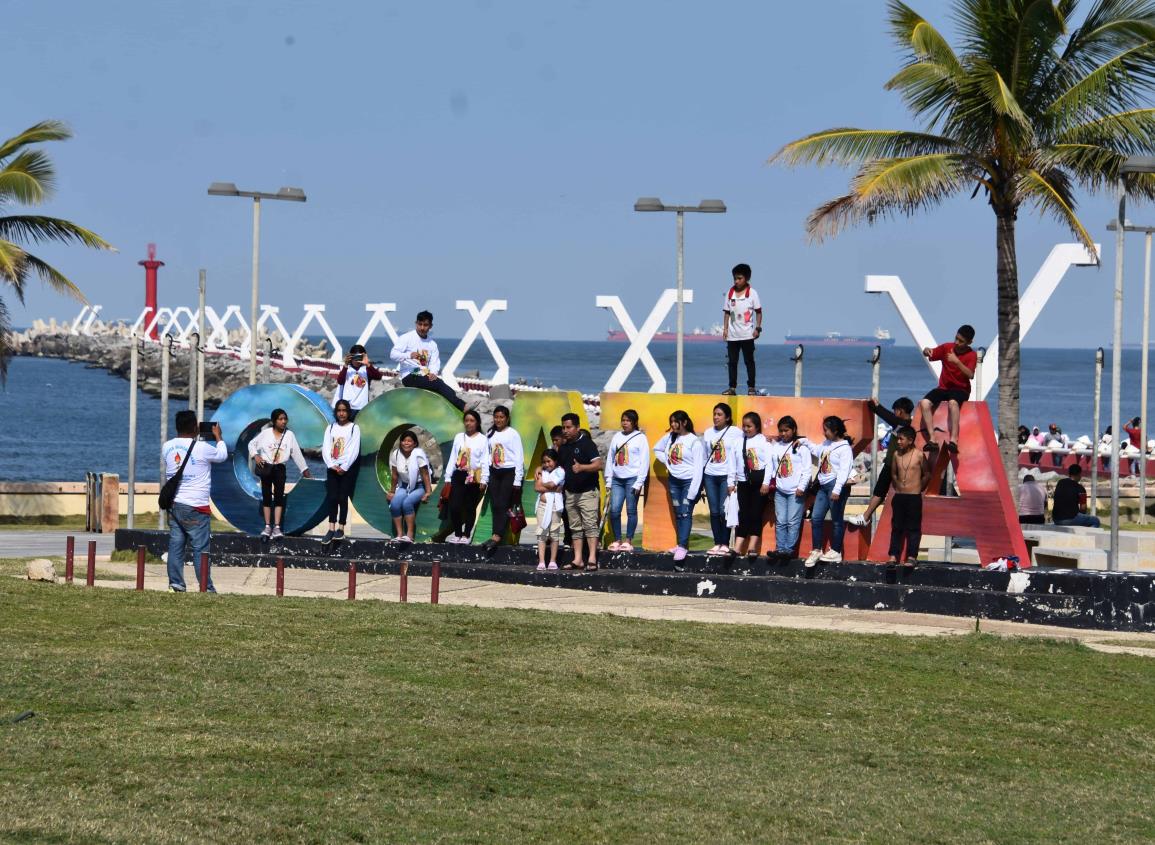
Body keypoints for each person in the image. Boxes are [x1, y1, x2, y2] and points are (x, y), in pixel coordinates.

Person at [162, 410, 228, 592]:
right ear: (195, 427)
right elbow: (222, 456)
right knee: (201, 549)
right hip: (196, 506)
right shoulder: (202, 447)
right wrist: (218, 437)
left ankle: (176, 584)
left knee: (176, 546)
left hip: (175, 504)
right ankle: (206, 587)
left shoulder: (167, 446)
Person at [848, 396, 915, 527]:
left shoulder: (903, 424)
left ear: (900, 411)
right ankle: (867, 516)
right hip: (893, 464)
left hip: (894, 465)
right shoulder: (906, 425)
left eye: (895, 410)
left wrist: (875, 405)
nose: (894, 413)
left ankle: (866, 517)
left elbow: (886, 415)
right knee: (883, 492)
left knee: (880, 492)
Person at [248, 407, 312, 540]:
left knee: (278, 497)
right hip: (266, 467)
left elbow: (296, 454)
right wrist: (256, 456)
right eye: (280, 419)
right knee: (266, 497)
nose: (283, 422)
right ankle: (267, 526)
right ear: (274, 421)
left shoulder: (289, 435)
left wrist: (304, 470)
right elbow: (251, 444)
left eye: (285, 419)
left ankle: (276, 527)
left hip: (280, 469)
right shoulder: (266, 433)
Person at [653, 410, 705, 562]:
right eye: (672, 422)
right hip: (674, 481)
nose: (673, 425)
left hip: (688, 481)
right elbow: (657, 449)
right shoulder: (670, 437)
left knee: (685, 512)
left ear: (685, 423)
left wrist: (693, 491)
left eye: (676, 422)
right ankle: (680, 544)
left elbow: (698, 469)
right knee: (678, 512)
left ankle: (682, 546)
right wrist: (667, 461)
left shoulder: (694, 441)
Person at [389, 310, 467, 412]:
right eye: (420, 324)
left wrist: (433, 373)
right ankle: (463, 407)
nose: (422, 328)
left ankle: (453, 411)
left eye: (425, 325)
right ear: (416, 323)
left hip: (424, 374)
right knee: (438, 384)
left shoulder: (432, 344)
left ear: (430, 326)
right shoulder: (406, 338)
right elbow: (393, 355)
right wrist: (409, 355)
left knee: (440, 384)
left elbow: (435, 362)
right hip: (410, 374)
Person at [918, 324, 977, 453]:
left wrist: (957, 362)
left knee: (953, 403)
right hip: (944, 387)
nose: (957, 342)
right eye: (956, 338)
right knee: (924, 403)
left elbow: (970, 374)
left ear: (969, 342)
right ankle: (932, 440)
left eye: (961, 341)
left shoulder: (972, 355)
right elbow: (930, 353)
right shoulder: (947, 347)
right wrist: (926, 350)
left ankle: (954, 440)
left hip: (961, 389)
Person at [804, 416, 854, 567]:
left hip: (835, 485)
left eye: (826, 430)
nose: (824, 433)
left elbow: (845, 471)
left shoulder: (844, 448)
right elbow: (817, 451)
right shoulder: (827, 444)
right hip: (823, 485)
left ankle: (836, 551)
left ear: (835, 430)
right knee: (816, 517)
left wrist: (837, 489)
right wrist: (805, 442)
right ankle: (817, 549)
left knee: (836, 520)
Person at [557, 413, 604, 569]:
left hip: (587, 492)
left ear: (577, 427)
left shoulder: (587, 444)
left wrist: (582, 467)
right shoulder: (563, 447)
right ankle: (578, 559)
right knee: (575, 528)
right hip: (570, 493)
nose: (565, 430)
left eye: (569, 427)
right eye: (563, 427)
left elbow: (598, 464)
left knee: (590, 525)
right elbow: (558, 467)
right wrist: (539, 469)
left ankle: (591, 558)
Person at [702, 403, 744, 555]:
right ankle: (717, 543)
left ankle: (725, 543)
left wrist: (736, 478)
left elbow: (742, 451)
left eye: (719, 414)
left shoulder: (736, 432)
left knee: (723, 510)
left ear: (727, 417)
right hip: (710, 475)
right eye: (714, 414)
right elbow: (704, 455)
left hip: (727, 476)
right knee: (713, 511)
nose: (715, 417)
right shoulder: (707, 433)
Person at [605, 409, 650, 552]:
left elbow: (645, 461)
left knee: (631, 510)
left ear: (634, 422)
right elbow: (610, 459)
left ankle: (628, 540)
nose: (625, 423)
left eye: (628, 421)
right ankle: (617, 539)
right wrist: (609, 479)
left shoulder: (640, 438)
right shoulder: (617, 436)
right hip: (617, 479)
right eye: (623, 420)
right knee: (614, 510)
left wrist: (639, 482)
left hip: (633, 478)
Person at [481, 405, 524, 552]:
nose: (498, 420)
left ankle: (497, 535)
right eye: (496, 417)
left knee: (504, 504)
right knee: (496, 504)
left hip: (509, 472)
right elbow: (486, 456)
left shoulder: (513, 434)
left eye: (501, 417)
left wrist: (517, 479)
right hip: (494, 471)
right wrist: (485, 477)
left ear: (507, 418)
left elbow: (519, 457)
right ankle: (495, 533)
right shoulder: (490, 433)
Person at [886, 425, 930, 566]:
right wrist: (897, 484)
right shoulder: (896, 455)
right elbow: (893, 472)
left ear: (910, 440)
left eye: (901, 439)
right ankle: (893, 555)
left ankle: (912, 556)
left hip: (913, 497)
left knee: (913, 528)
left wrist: (920, 487)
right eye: (898, 439)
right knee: (896, 527)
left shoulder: (918, 454)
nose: (898, 442)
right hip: (899, 497)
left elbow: (927, 473)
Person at [768, 415, 811, 560]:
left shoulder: (801, 448)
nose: (783, 434)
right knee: (781, 521)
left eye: (786, 430)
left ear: (793, 430)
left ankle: (788, 550)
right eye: (780, 431)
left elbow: (807, 470)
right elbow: (772, 466)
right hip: (780, 490)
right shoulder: (776, 446)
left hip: (795, 492)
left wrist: (801, 487)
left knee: (793, 521)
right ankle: (780, 549)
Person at [446, 409, 490, 543]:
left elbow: (485, 460)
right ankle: (458, 533)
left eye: (472, 421)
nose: (469, 423)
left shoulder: (483, 439)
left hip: (473, 475)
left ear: (477, 423)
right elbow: (453, 456)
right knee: (455, 506)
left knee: (470, 506)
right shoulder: (459, 437)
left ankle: (466, 535)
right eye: (466, 420)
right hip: (459, 474)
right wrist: (448, 476)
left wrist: (484, 478)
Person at [733, 411, 773, 558]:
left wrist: (766, 483)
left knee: (756, 515)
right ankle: (737, 548)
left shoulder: (763, 441)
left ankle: (752, 547)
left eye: (749, 426)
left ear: (757, 427)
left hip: (759, 484)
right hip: (743, 482)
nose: (746, 429)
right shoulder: (738, 441)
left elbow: (769, 464)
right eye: (744, 426)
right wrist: (732, 481)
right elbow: (733, 462)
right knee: (743, 514)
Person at [321, 399, 361, 545]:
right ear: (336, 412)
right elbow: (326, 448)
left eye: (344, 410)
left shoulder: (354, 428)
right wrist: (331, 465)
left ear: (348, 412)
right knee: (332, 498)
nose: (341, 413)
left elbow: (354, 449)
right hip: (332, 468)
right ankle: (331, 528)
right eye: (339, 410)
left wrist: (344, 467)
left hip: (347, 469)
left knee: (342, 497)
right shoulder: (330, 428)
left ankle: (341, 528)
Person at [721, 263, 762, 396]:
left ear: (747, 278)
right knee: (732, 362)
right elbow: (727, 312)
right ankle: (732, 388)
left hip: (747, 335)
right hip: (733, 336)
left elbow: (759, 312)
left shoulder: (752, 293)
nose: (736, 281)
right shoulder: (730, 293)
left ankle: (751, 387)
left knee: (749, 362)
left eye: (739, 278)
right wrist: (725, 329)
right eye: (735, 278)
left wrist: (758, 328)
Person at [387, 430, 433, 542]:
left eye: (409, 441)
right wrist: (392, 491)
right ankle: (399, 534)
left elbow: (425, 474)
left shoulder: (418, 454)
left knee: (407, 503)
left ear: (415, 444)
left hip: (419, 486)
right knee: (395, 504)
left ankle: (410, 535)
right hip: (404, 486)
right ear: (401, 442)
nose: (406, 443)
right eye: (404, 440)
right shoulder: (396, 454)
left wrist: (428, 491)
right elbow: (394, 475)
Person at [533, 448, 565, 571]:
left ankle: (552, 560)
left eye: (549, 461)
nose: (547, 464)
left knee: (554, 533)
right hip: (542, 505)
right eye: (544, 462)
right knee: (541, 532)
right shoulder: (542, 472)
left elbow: (552, 484)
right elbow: (537, 487)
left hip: (555, 506)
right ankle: (541, 561)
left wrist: (544, 485)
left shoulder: (560, 471)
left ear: (555, 461)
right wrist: (552, 487)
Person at [332, 344, 382, 419]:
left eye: (360, 357)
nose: (357, 360)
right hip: (348, 407)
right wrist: (345, 365)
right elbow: (340, 381)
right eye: (355, 357)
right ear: (350, 357)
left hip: (362, 407)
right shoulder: (346, 369)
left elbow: (378, 377)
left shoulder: (366, 370)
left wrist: (368, 364)